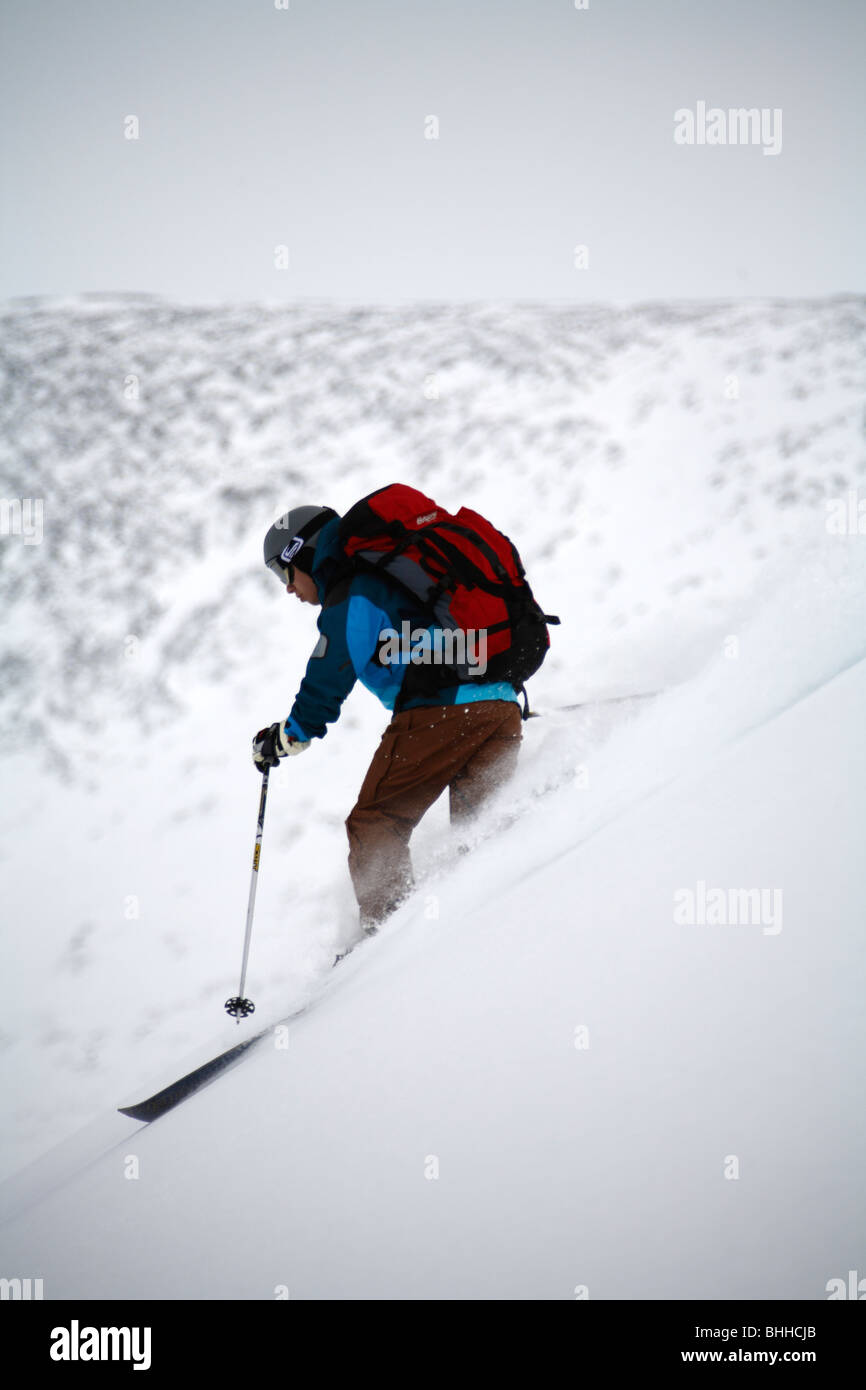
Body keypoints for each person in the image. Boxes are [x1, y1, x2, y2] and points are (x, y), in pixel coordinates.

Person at [252, 503, 523, 936]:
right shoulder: (393, 579)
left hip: (441, 712)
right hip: (500, 705)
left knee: (375, 821)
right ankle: (486, 930)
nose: (288, 590)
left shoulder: (354, 591)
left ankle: (387, 944)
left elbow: (330, 671)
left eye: (284, 574)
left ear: (303, 554)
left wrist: (288, 736)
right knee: (480, 835)